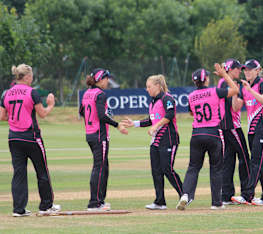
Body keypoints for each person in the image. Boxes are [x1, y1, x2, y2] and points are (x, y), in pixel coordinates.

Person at [0, 64, 60, 217]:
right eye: (31, 76)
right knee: (42, 171)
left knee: (19, 173)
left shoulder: (6, 93)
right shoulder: (32, 92)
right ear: (26, 77)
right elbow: (42, 114)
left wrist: (15, 117)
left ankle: (19, 209)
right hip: (31, 137)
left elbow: (2, 117)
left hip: (13, 137)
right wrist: (51, 105)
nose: (32, 79)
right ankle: (46, 206)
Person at [176, 63, 239, 210]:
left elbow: (191, 112)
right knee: (216, 168)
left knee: (193, 167)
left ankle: (185, 194)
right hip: (213, 133)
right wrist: (224, 75)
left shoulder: (191, 96)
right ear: (206, 80)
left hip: (197, 134)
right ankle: (216, 203)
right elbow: (235, 90)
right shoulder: (214, 91)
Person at [122, 75, 183, 210]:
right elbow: (151, 120)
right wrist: (135, 123)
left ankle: (184, 195)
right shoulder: (152, 102)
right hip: (156, 141)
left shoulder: (167, 98)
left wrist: (155, 126)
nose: (147, 89)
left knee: (167, 169)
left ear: (158, 86)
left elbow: (169, 115)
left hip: (169, 139)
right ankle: (160, 202)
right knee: (156, 171)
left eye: (149, 86)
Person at [79, 68, 128, 211]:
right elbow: (101, 115)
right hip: (99, 135)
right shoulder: (100, 94)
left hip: (90, 134)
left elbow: (82, 112)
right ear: (100, 79)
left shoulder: (87, 93)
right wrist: (117, 124)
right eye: (106, 78)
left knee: (103, 167)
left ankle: (100, 201)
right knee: (99, 168)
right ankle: (95, 203)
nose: (108, 81)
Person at [234, 59, 263, 206]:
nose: (247, 72)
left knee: (256, 162)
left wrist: (250, 90)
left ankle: (247, 194)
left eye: (250, 69)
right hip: (252, 130)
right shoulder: (244, 86)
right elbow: (237, 107)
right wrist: (235, 91)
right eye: (245, 69)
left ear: (258, 70)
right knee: (260, 163)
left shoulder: (262, 83)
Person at [218, 59, 251, 205]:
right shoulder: (230, 83)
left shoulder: (221, 83)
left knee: (228, 160)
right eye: (237, 69)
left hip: (223, 127)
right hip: (232, 126)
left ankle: (226, 195)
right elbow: (236, 107)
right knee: (245, 157)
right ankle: (246, 193)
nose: (240, 71)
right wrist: (240, 92)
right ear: (230, 70)